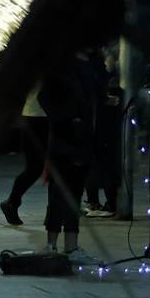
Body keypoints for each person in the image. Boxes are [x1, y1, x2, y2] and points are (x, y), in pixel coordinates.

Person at [37, 47, 102, 255]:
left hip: (81, 140)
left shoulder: (88, 66)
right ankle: (53, 243)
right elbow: (45, 98)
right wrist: (67, 119)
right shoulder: (62, 68)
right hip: (66, 141)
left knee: (74, 193)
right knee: (59, 194)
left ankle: (70, 244)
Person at [0, 84, 47, 226]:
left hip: (35, 114)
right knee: (36, 166)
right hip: (40, 115)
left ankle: (13, 201)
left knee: (35, 167)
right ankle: (12, 201)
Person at [85, 46, 123, 218]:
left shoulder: (91, 66)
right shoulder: (100, 68)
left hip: (96, 124)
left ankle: (96, 201)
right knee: (104, 164)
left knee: (98, 163)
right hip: (102, 124)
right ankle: (102, 201)